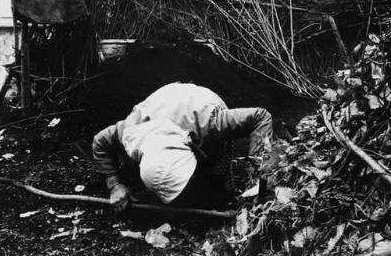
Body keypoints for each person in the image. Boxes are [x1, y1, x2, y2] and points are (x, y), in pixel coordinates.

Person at [91, 82, 273, 211]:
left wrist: (257, 173)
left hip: (197, 103)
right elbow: (100, 143)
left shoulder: (212, 125)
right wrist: (115, 184)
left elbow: (261, 117)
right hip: (161, 104)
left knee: (218, 176)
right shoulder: (130, 131)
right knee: (133, 179)